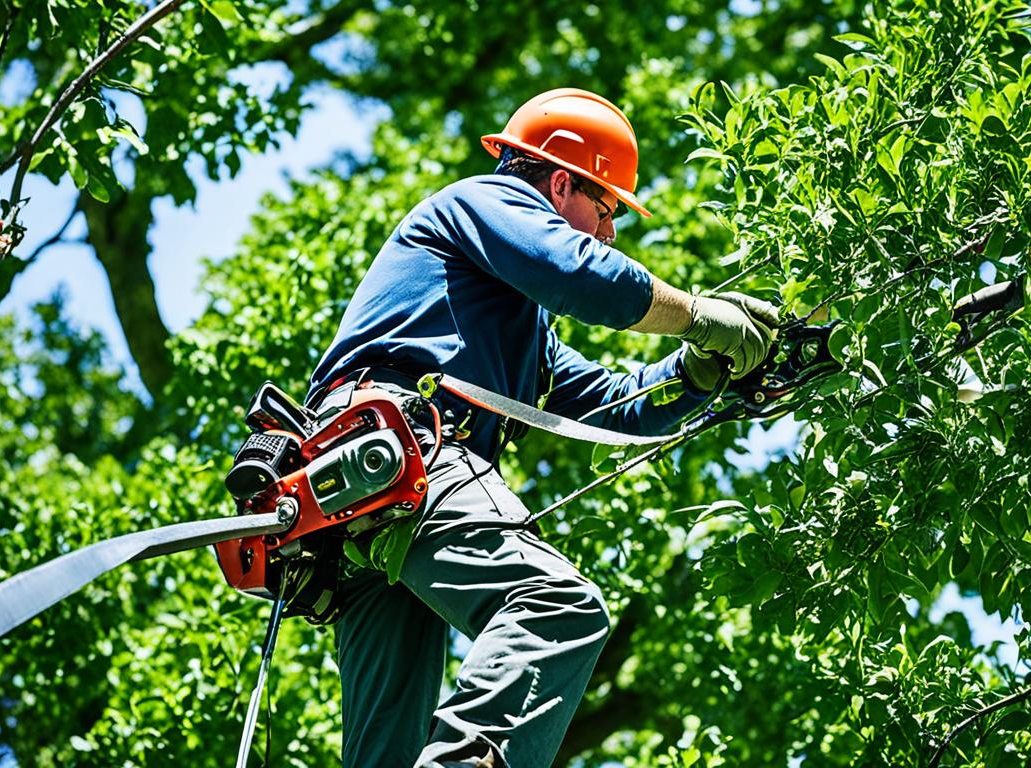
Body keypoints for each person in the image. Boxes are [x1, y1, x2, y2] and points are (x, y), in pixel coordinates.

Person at [307, 87, 778, 768]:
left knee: (387, 752)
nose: (610, 231)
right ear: (560, 184)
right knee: (555, 606)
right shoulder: (482, 202)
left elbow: (614, 404)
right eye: (606, 207)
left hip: (362, 499)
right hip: (400, 450)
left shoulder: (515, 328)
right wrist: (698, 313)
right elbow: (582, 276)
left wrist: (696, 373)